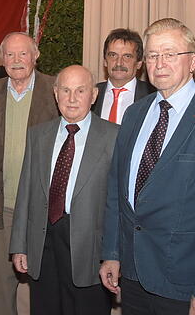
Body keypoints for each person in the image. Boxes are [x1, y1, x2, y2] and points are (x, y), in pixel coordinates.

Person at [99, 18, 195, 315]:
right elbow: (117, 191)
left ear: (193, 61)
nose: (160, 63)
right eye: (154, 55)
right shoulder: (134, 114)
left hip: (185, 282)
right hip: (132, 275)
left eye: (170, 54)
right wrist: (112, 253)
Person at [9, 65, 118, 315]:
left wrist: (113, 254)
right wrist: (19, 245)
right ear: (55, 93)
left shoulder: (113, 137)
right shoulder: (38, 135)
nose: (72, 98)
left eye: (80, 91)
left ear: (93, 96)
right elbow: (25, 192)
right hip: (43, 242)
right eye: (66, 90)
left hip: (90, 250)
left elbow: (118, 204)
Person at [0, 32, 59, 315]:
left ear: (36, 56)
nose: (17, 60)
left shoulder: (56, 90)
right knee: (1, 282)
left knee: (44, 283)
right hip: (1, 205)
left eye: (23, 54)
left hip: (43, 208)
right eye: (10, 55)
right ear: (2, 59)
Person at [91, 28, 155, 124]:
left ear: (139, 63)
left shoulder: (153, 96)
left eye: (127, 56)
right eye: (113, 55)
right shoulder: (89, 94)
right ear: (105, 61)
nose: (119, 63)